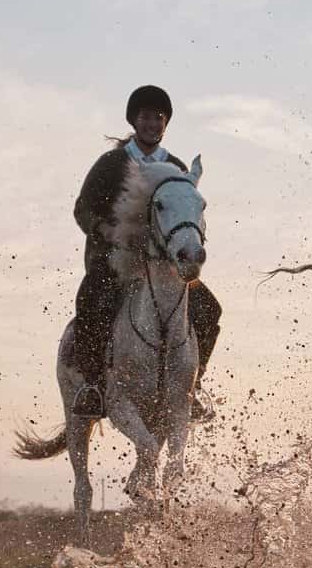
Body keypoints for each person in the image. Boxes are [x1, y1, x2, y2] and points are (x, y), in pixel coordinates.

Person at [71, 85, 222, 419]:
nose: (152, 123)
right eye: (145, 117)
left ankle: (193, 385)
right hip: (117, 260)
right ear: (134, 121)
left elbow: (188, 212)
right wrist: (105, 231)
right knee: (91, 299)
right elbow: (82, 209)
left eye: (158, 117)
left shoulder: (176, 166)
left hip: (164, 267)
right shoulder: (111, 163)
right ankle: (93, 386)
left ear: (165, 123)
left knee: (210, 310)